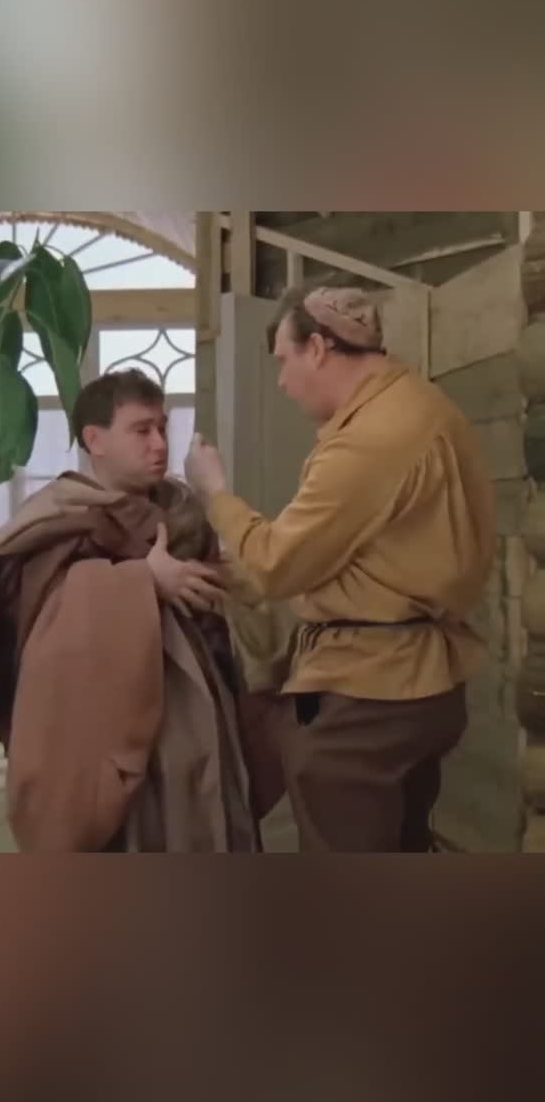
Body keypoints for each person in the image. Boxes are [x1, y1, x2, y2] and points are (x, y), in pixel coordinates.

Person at [184, 284, 496, 852]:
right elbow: (351, 560)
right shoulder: (422, 405)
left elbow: (279, 565)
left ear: (319, 349)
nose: (282, 382)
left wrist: (215, 494)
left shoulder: (372, 437)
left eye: (284, 360)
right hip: (421, 682)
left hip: (368, 696)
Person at [0, 370, 284, 852]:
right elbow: (40, 611)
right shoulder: (60, 513)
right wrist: (143, 580)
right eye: (141, 430)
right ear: (95, 439)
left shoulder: (182, 510)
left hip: (204, 708)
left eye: (162, 427)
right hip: (108, 720)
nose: (159, 444)